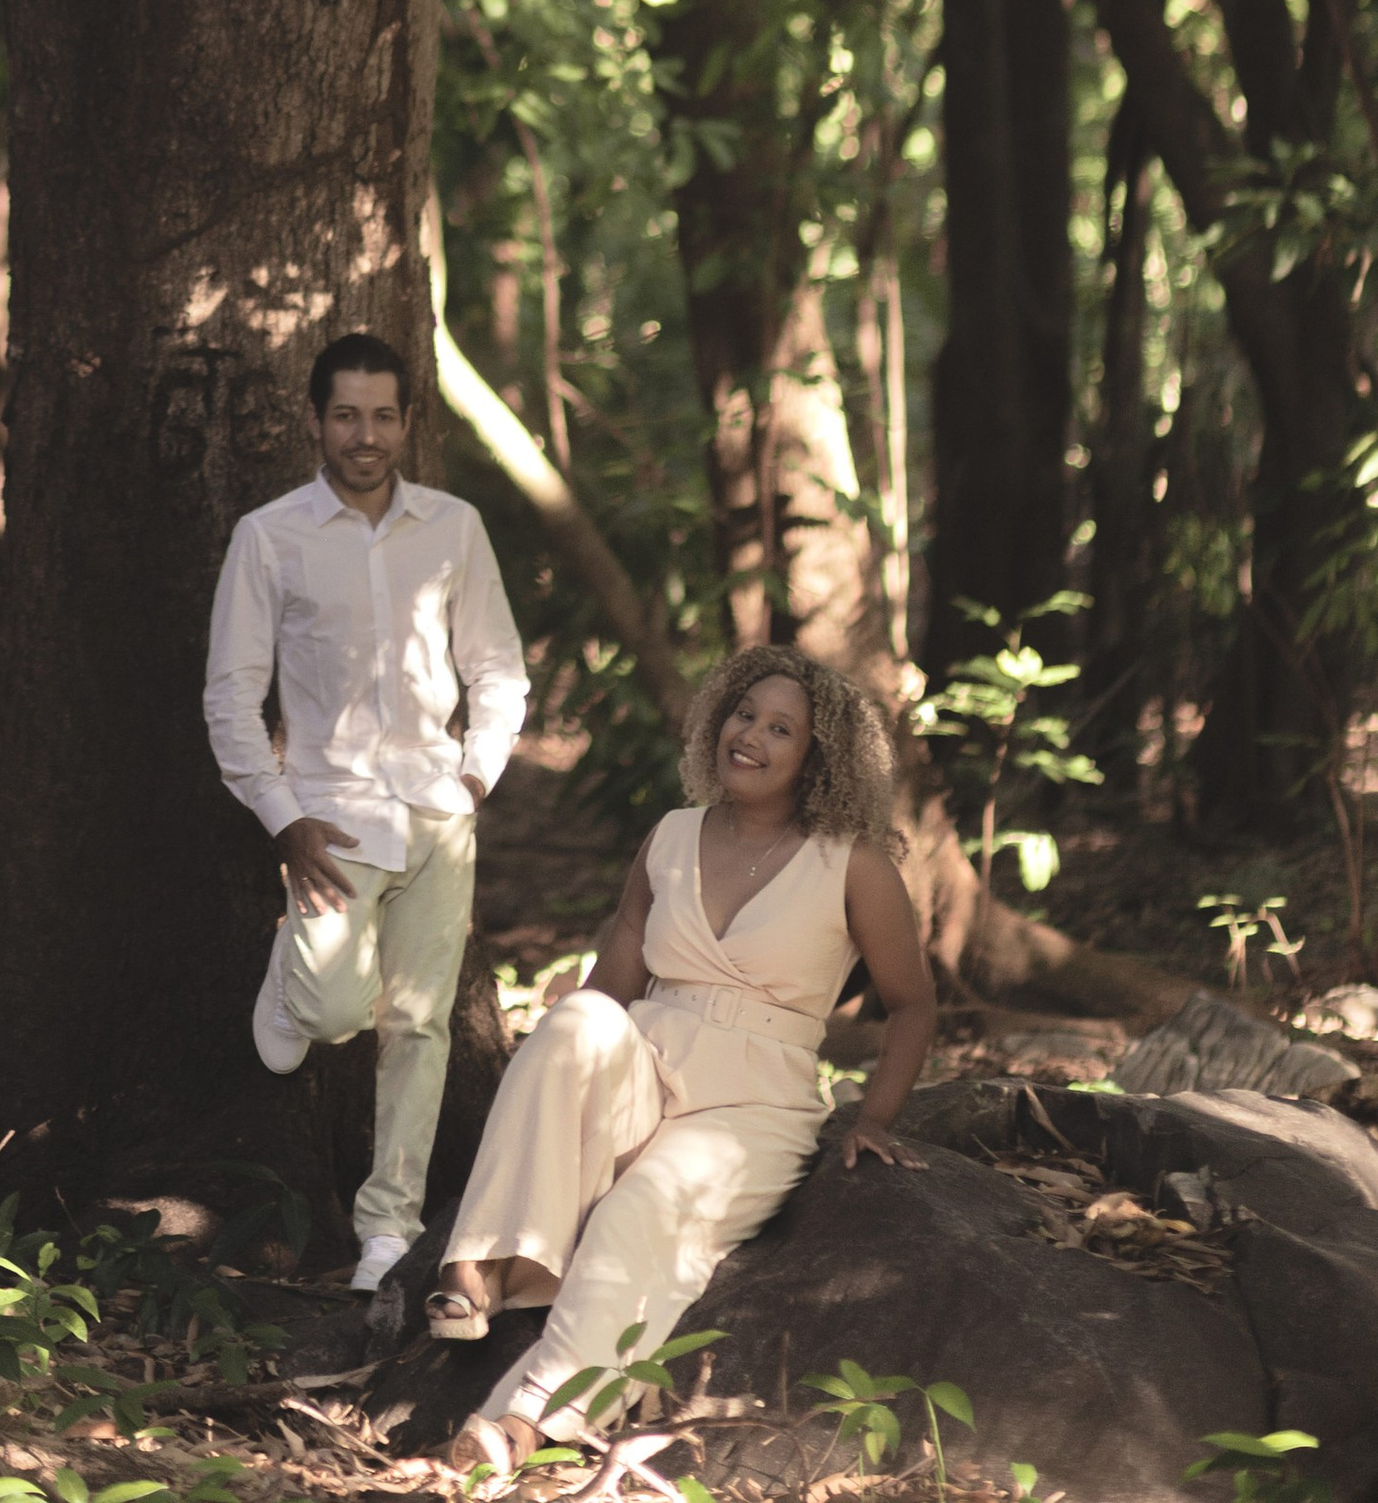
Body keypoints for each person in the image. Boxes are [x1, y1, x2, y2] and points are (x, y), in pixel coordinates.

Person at [427, 642, 936, 1488]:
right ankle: (472, 1270)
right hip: (649, 1063)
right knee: (577, 1019)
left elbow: (913, 1002)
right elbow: (613, 989)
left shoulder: (853, 863)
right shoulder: (670, 836)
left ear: (818, 759)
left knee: (641, 1218)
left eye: (782, 729)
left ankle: (519, 1421)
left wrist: (874, 1118)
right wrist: (569, 1046)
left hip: (752, 1109)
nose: (753, 737)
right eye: (745, 715)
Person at [204, 333, 530, 1298]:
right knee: (337, 1011)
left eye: (384, 415)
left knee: (420, 1027)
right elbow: (230, 695)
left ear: (407, 423)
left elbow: (498, 668)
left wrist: (474, 780)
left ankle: (388, 1226)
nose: (366, 435)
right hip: (330, 819)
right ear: (315, 421)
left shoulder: (454, 527)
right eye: (346, 414)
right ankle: (293, 975)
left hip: (437, 812)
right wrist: (280, 816)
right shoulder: (271, 536)